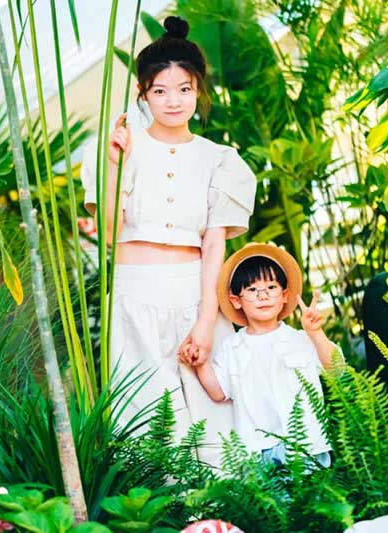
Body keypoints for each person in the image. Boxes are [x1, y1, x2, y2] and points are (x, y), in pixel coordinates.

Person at [80, 16, 257, 466]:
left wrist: (206, 320)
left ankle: (221, 505)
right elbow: (109, 232)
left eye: (183, 88)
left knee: (212, 418)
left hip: (193, 293)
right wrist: (115, 164)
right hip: (133, 294)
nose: (173, 100)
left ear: (198, 90)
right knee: (145, 418)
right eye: (160, 90)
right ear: (143, 94)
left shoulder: (220, 160)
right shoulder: (120, 147)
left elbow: (214, 245)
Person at [193, 242, 334, 466]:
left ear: (285, 295)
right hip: (257, 452)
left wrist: (316, 333)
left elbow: (336, 368)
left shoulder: (300, 340)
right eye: (252, 290)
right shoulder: (232, 347)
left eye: (271, 287)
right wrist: (200, 363)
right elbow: (218, 391)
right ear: (236, 300)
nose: (263, 296)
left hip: (305, 446)